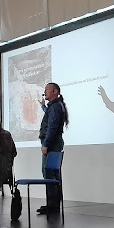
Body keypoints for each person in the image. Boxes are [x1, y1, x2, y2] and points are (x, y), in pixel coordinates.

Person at [37, 82, 69, 214]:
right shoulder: (55, 106)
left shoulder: (55, 107)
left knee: (49, 173)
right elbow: (52, 118)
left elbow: (52, 127)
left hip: (52, 145)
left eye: (47, 90)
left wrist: (46, 144)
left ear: (55, 91)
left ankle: (52, 205)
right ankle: (53, 204)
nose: (44, 92)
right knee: (53, 174)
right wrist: (43, 107)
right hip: (54, 144)